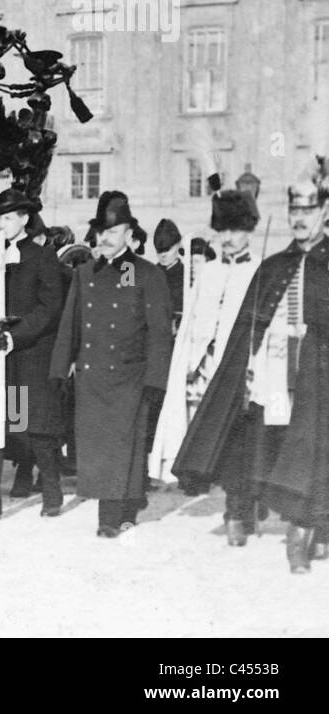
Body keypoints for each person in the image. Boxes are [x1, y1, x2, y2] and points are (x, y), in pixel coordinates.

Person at [175, 172, 329, 571]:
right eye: (295, 208)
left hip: (316, 381)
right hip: (271, 377)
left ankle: (308, 531)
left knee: (313, 451)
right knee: (257, 442)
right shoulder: (274, 264)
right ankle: (240, 510)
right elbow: (247, 327)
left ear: (323, 211)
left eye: (308, 209)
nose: (300, 217)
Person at [49, 191, 173, 538]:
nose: (105, 238)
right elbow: (70, 324)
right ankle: (125, 503)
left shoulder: (143, 273)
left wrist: (155, 380)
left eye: (113, 232)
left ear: (129, 235)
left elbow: (160, 332)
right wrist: (60, 369)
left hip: (130, 377)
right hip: (91, 377)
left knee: (124, 444)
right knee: (100, 446)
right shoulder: (85, 273)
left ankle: (112, 514)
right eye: (101, 231)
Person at [0, 189, 66, 522]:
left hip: (31, 352)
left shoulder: (42, 257)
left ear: (24, 218)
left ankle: (52, 492)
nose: (3, 224)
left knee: (36, 427)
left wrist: (15, 335)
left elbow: (49, 308)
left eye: (9, 217)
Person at [149, 191, 259, 493]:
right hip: (202, 363)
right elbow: (192, 323)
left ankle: (237, 497)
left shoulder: (258, 270)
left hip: (237, 366)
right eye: (222, 230)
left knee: (236, 430)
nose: (228, 237)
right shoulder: (206, 273)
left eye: (235, 230)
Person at [153, 219, 186, 332]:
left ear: (178, 245)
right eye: (159, 251)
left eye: (167, 249)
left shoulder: (186, 275)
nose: (163, 255)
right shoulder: (149, 275)